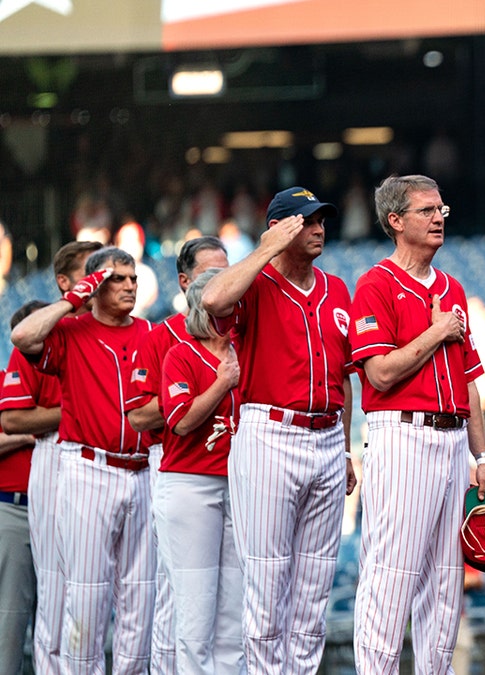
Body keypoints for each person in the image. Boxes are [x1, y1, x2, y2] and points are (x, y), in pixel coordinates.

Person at [200, 186, 357, 673]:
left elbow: (345, 378)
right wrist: (266, 246)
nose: (318, 229)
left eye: (321, 221)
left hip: (328, 436)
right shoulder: (256, 281)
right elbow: (212, 297)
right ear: (280, 228)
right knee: (267, 587)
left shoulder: (337, 289)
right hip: (272, 434)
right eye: (306, 221)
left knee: (313, 593)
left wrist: (348, 449)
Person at [347, 174, 485, 673]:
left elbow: (471, 378)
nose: (438, 218)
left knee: (447, 580)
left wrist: (483, 455)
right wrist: (434, 333)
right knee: (391, 574)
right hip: (402, 433)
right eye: (426, 211)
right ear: (395, 221)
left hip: (454, 439)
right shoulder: (375, 284)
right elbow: (380, 373)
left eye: (441, 210)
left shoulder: (451, 286)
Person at [10, 246, 154, 673]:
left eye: (132, 279)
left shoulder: (150, 331)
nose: (130, 285)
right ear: (95, 286)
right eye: (119, 279)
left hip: (142, 471)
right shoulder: (72, 333)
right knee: (87, 597)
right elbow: (22, 336)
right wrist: (76, 298)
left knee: (139, 598)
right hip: (89, 470)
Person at [126, 235, 230, 673]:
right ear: (186, 282)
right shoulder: (163, 336)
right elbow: (139, 415)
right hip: (174, 464)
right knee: (180, 599)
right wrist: (184, 400)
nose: (224, 281)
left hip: (230, 469)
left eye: (228, 270)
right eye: (211, 273)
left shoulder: (239, 333)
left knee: (226, 608)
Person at [0, 240, 99, 672]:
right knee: (13, 629)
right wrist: (79, 409)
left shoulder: (121, 337)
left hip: (96, 490)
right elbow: (13, 422)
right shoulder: (38, 345)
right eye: (90, 271)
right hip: (21, 504)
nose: (102, 282)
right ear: (65, 283)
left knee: (79, 617)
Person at [154, 268, 244, 673]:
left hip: (239, 485)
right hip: (191, 485)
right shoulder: (181, 354)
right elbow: (181, 421)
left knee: (234, 616)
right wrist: (222, 383)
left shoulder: (245, 350)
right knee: (194, 614)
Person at [0, 304, 42, 675]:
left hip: (60, 509)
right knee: (9, 624)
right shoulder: (3, 380)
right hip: (12, 509)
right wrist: (30, 432)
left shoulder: (69, 378)